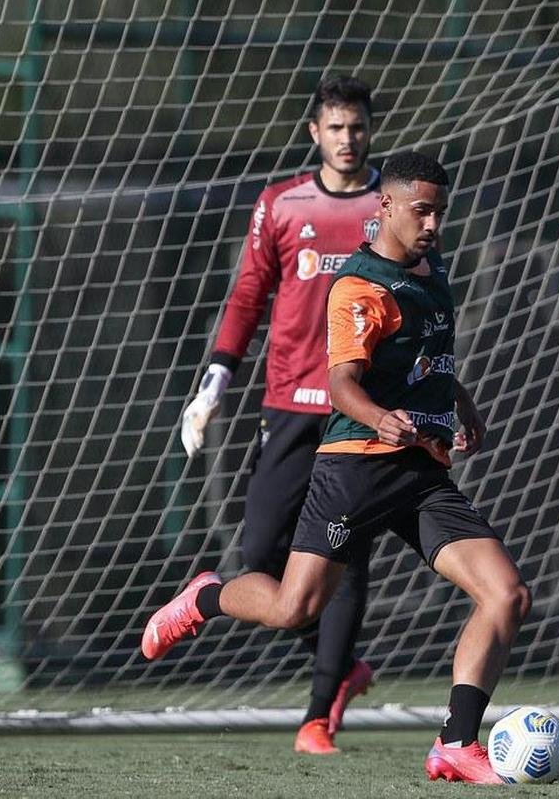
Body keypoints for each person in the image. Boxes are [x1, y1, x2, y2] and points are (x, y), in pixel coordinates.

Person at [143, 151, 531, 784]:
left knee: (507, 593)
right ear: (386, 207)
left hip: (419, 472)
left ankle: (455, 744)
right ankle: (206, 596)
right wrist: (378, 417)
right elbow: (343, 383)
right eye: (421, 211)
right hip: (354, 468)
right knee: (296, 608)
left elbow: (428, 357)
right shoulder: (359, 286)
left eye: (440, 211)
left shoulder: (434, 273)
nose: (432, 224)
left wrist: (459, 399)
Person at [167, 75, 383, 755]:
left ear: (368, 131)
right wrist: (212, 384)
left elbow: (422, 300)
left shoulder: (393, 205)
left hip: (361, 411)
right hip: (288, 402)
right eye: (335, 128)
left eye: (357, 127)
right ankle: (340, 666)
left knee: (344, 557)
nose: (347, 140)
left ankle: (318, 713)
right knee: (262, 559)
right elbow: (247, 297)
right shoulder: (280, 205)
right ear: (314, 133)